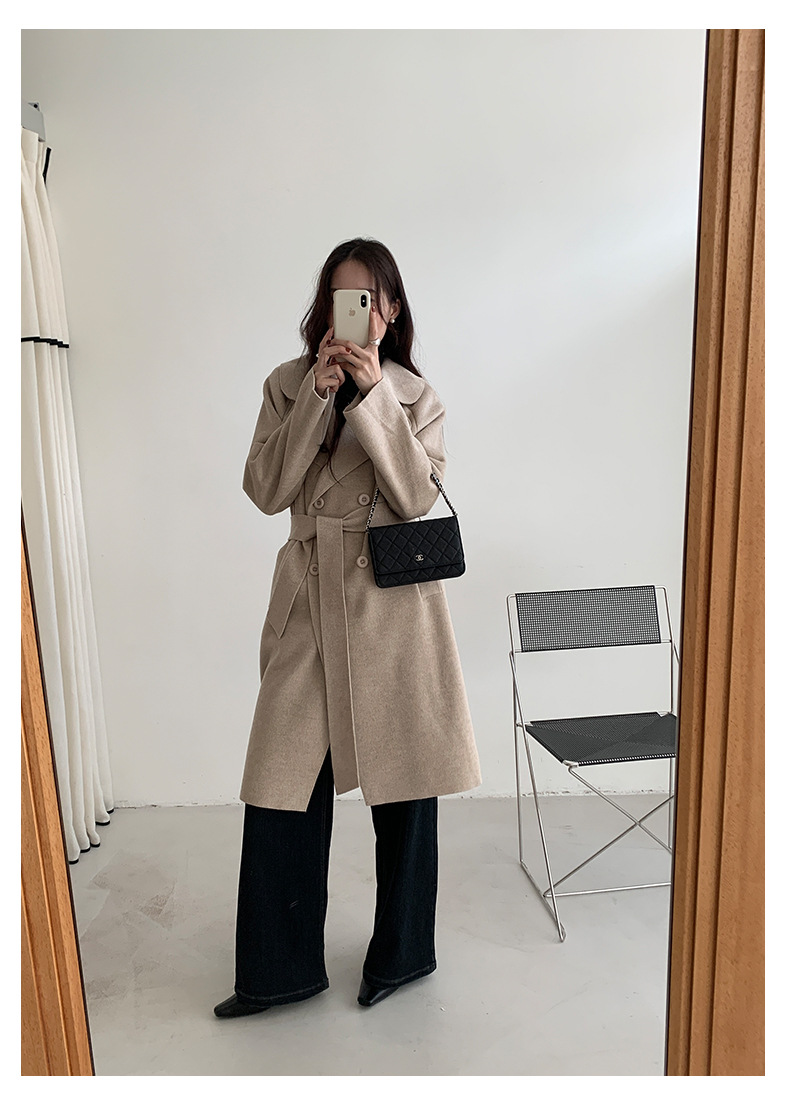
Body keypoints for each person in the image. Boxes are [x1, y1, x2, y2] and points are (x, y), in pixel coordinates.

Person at [214, 238, 481, 1018]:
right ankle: (276, 970)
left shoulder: (417, 397)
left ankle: (403, 955)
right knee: (281, 786)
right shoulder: (287, 383)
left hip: (393, 608)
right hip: (310, 598)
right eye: (342, 296)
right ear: (325, 306)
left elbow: (416, 496)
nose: (356, 311)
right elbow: (266, 490)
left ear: (390, 310)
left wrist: (372, 400)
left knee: (407, 788)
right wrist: (318, 398)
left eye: (369, 297)